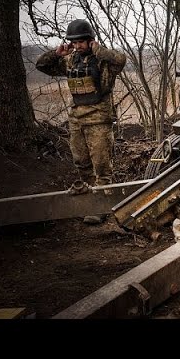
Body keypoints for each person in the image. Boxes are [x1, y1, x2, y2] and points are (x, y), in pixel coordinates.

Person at [36, 19, 127, 225]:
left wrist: (99, 50)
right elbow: (41, 65)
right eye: (73, 42)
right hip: (77, 119)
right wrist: (57, 53)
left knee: (102, 166)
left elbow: (120, 60)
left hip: (98, 120)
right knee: (82, 163)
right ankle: (88, 203)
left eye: (80, 42)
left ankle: (101, 207)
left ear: (90, 41)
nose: (76, 46)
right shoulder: (70, 60)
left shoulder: (103, 62)